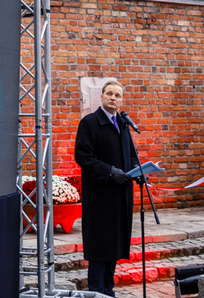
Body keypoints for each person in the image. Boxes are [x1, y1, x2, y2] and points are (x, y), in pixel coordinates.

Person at [74, 80, 140, 296]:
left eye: (117, 95)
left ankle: (108, 290)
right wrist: (110, 172)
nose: (113, 98)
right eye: (109, 94)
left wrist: (137, 172)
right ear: (101, 97)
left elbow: (130, 153)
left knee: (114, 245)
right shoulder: (90, 122)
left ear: (121, 100)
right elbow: (83, 156)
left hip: (120, 195)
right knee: (100, 246)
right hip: (100, 197)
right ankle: (96, 291)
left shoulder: (123, 124)